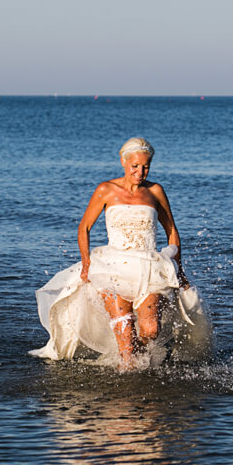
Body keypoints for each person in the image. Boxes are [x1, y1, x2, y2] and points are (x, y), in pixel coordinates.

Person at [30, 137, 212, 370]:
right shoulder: (106, 189)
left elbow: (172, 231)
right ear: (123, 162)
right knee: (127, 348)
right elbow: (84, 227)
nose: (140, 171)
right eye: (135, 166)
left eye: (146, 166)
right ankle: (128, 394)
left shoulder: (156, 191)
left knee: (151, 330)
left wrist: (178, 268)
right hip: (112, 270)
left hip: (149, 269)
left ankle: (144, 358)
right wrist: (86, 263)